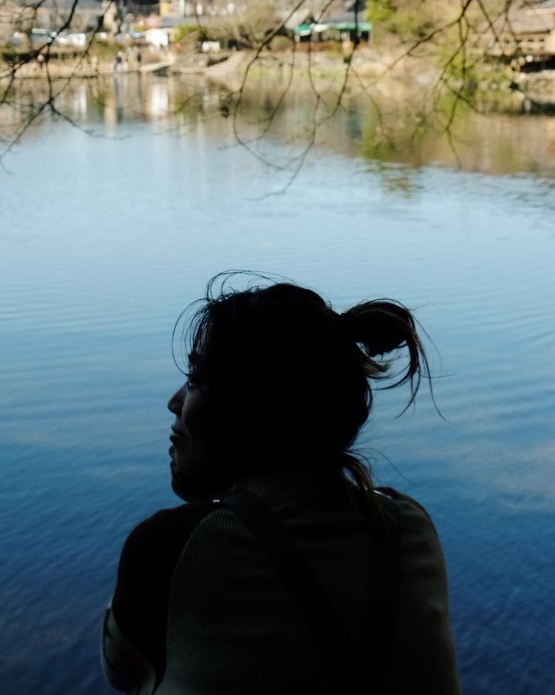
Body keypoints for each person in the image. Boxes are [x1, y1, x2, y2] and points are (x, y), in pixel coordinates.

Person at [101, 275, 460, 694]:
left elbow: (124, 675)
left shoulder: (168, 546)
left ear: (263, 413)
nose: (175, 401)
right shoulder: (407, 528)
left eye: (197, 378)